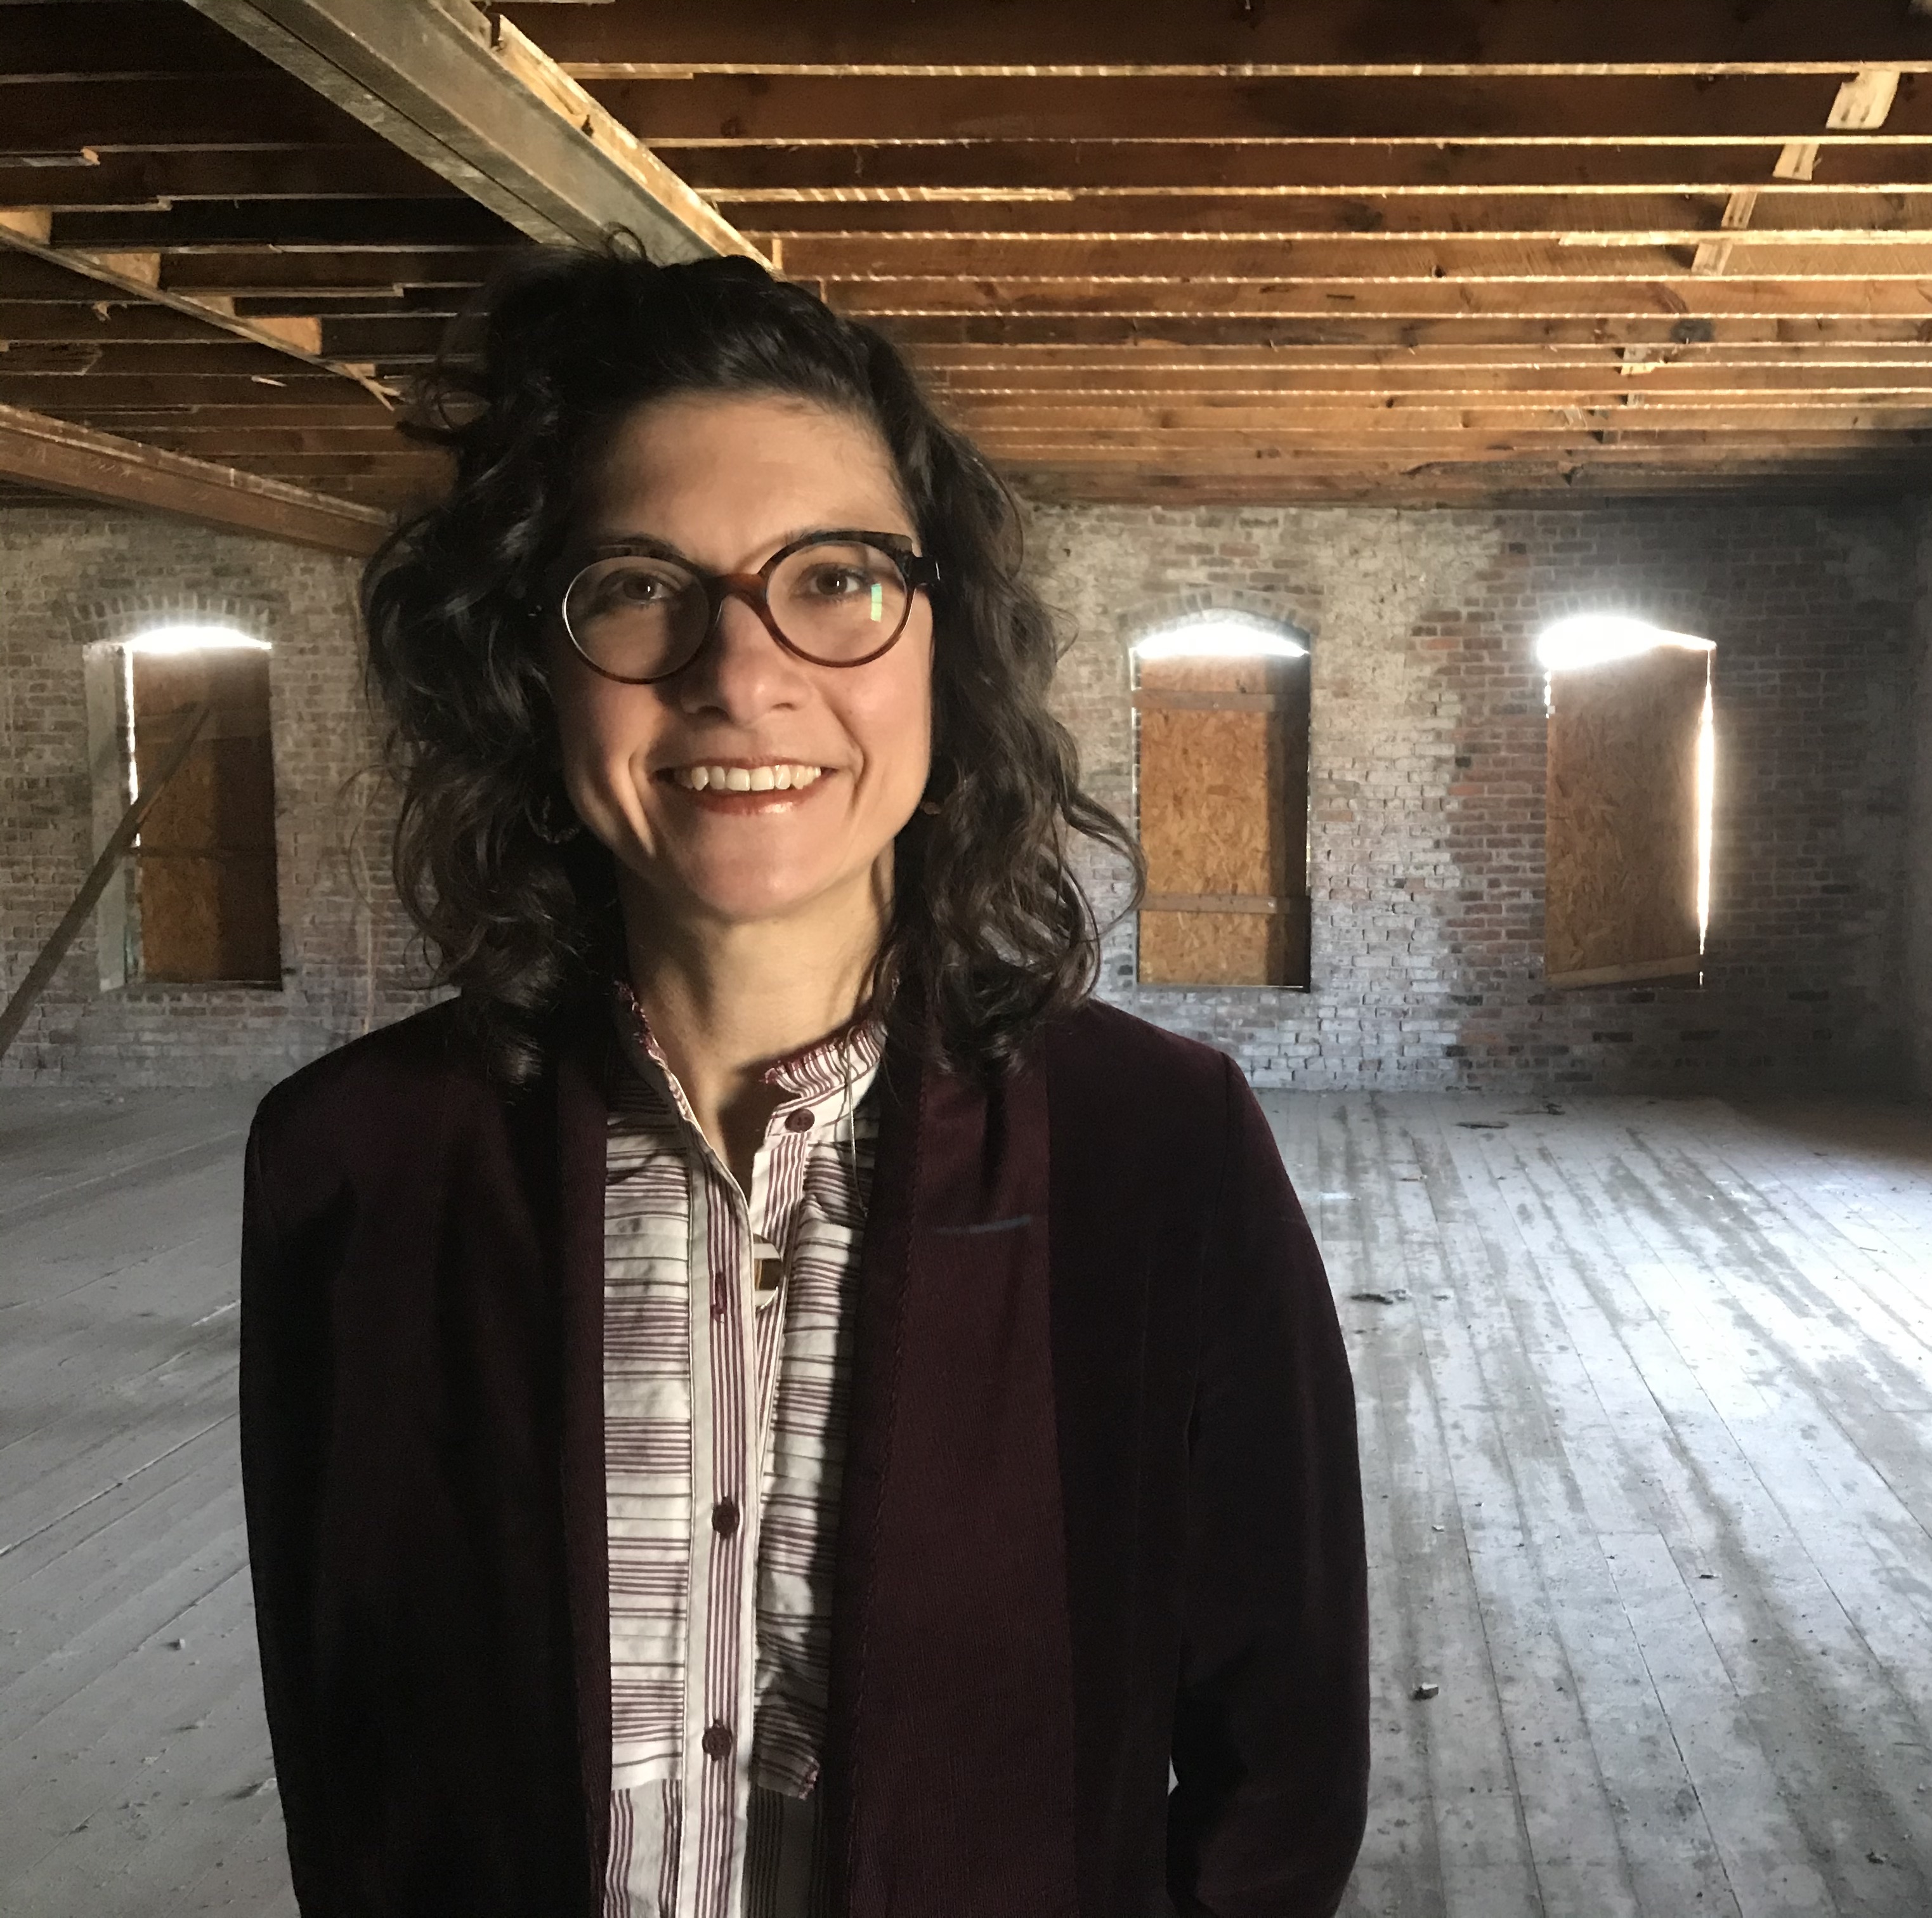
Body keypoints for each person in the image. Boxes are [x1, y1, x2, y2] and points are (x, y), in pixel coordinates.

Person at [236, 244, 1369, 1917]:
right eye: (636, 583)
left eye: (834, 579)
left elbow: (1280, 1777)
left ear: (942, 642)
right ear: (525, 663)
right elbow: (352, 1761)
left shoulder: (1158, 1151)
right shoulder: (356, 1162)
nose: (739, 671)